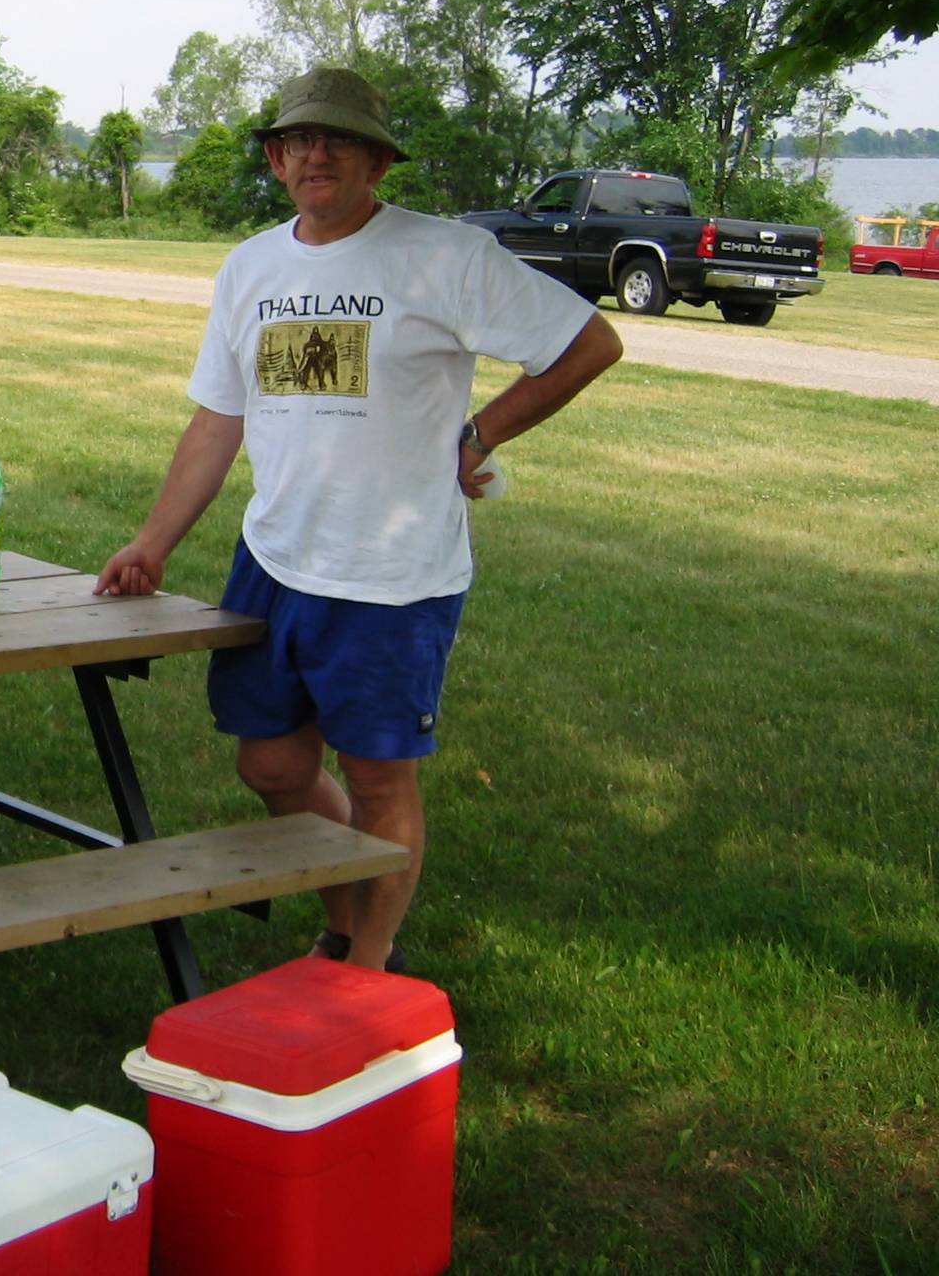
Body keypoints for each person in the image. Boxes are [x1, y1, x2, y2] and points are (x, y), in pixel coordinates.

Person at [96, 66, 622, 972]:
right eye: (300, 139)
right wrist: (152, 542)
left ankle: (363, 963)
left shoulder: (445, 255)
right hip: (276, 557)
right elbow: (219, 417)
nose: (318, 154)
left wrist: (480, 432)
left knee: (381, 779)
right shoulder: (252, 265)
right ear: (274, 158)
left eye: (340, 140)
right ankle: (343, 918)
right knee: (268, 765)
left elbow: (589, 343)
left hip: (392, 573)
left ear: (378, 160)